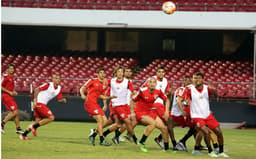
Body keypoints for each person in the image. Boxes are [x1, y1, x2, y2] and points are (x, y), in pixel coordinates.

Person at [177, 72, 229, 157]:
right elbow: (179, 99)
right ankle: (210, 151)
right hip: (196, 116)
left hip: (207, 115)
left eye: (198, 78)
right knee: (206, 132)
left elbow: (216, 96)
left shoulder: (207, 88)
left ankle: (221, 151)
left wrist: (213, 89)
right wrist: (182, 109)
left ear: (202, 79)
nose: (196, 80)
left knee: (219, 132)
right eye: (194, 78)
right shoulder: (189, 89)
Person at [20, 73, 67, 140]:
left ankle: (23, 135)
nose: (57, 80)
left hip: (42, 104)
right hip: (39, 103)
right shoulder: (48, 85)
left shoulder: (59, 88)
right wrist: (35, 101)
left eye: (59, 78)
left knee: (37, 121)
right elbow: (36, 89)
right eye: (56, 78)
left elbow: (59, 99)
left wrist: (63, 100)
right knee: (51, 118)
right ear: (53, 79)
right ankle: (34, 127)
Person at [132, 77, 171, 153]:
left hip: (150, 112)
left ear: (156, 84)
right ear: (147, 84)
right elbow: (133, 99)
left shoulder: (158, 91)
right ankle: (142, 142)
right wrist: (132, 112)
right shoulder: (142, 91)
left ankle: (166, 149)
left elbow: (167, 100)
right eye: (150, 82)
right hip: (140, 112)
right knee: (152, 123)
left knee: (164, 128)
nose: (152, 84)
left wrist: (166, 111)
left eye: (154, 82)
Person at [80, 68, 116, 146]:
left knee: (105, 121)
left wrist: (109, 97)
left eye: (104, 73)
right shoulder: (92, 80)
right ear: (97, 74)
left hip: (95, 104)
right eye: (101, 73)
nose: (103, 74)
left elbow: (100, 95)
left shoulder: (104, 85)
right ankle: (101, 140)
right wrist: (82, 94)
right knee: (100, 120)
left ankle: (93, 135)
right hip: (89, 103)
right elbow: (82, 88)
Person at [102, 66, 138, 144]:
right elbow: (105, 90)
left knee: (117, 123)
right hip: (116, 105)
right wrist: (105, 104)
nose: (120, 73)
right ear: (116, 73)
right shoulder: (111, 81)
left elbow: (133, 91)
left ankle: (98, 132)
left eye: (122, 72)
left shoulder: (128, 82)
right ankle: (134, 138)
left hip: (125, 105)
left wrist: (136, 94)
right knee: (123, 122)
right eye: (119, 72)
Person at [1, 64, 24, 134]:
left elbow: (9, 87)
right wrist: (9, 92)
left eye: (13, 69)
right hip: (6, 96)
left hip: (10, 96)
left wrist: (13, 92)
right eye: (10, 69)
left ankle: (18, 128)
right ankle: (2, 124)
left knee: (15, 113)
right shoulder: (6, 77)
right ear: (7, 69)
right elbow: (1, 87)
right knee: (15, 112)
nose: (12, 70)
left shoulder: (12, 77)